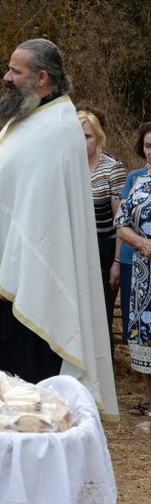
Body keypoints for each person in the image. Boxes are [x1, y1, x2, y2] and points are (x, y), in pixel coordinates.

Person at [0, 38, 117, 417]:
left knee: (20, 377)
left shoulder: (57, 127)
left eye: (16, 71)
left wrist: (15, 261)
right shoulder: (27, 118)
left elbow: (43, 214)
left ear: (42, 78)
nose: (7, 78)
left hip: (23, 277)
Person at [77, 108, 125, 345]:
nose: (81, 142)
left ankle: (106, 376)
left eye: (87, 136)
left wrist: (117, 262)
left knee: (101, 317)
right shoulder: (65, 167)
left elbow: (121, 221)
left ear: (98, 137)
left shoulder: (112, 168)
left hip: (102, 252)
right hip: (72, 251)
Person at [114, 123, 151, 416]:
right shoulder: (135, 179)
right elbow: (121, 222)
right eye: (149, 146)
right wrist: (141, 243)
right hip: (142, 269)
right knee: (144, 333)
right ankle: (148, 399)